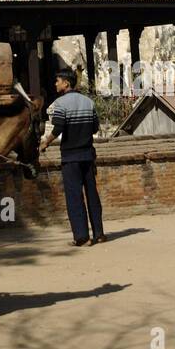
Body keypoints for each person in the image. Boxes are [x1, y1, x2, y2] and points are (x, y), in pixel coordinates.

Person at [40, 66, 106, 247]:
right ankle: (99, 233)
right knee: (92, 194)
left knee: (74, 197)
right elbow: (94, 128)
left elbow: (58, 128)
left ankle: (82, 237)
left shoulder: (60, 104)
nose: (55, 84)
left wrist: (45, 142)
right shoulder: (88, 102)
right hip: (87, 155)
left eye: (58, 81)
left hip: (71, 157)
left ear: (66, 83)